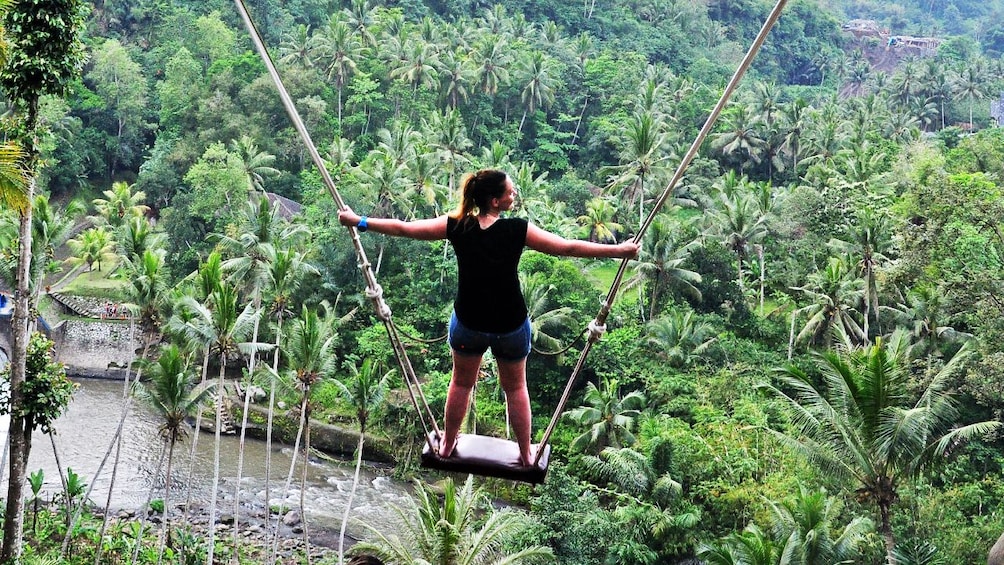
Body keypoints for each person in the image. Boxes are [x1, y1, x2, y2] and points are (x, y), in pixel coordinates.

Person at [338, 169, 639, 466]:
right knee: (516, 388)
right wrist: (618, 250)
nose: (515, 194)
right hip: (510, 325)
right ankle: (525, 452)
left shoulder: (457, 226)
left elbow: (405, 229)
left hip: (469, 323)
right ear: (495, 201)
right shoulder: (518, 230)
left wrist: (359, 221)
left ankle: (447, 445)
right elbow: (567, 247)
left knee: (460, 383)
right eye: (510, 191)